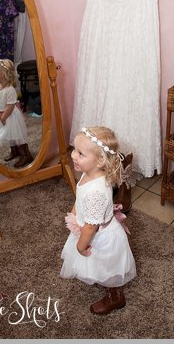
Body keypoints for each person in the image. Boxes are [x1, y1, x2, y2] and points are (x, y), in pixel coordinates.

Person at [61, 125, 136, 315]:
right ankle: (109, 287)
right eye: (74, 150)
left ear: (100, 160)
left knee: (107, 267)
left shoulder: (96, 192)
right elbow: (80, 197)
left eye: (80, 153)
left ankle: (115, 296)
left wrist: (80, 246)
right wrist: (74, 214)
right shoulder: (89, 173)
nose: (73, 155)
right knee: (98, 264)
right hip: (91, 228)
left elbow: (91, 227)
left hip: (102, 237)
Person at [0, 58, 33, 167]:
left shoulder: (10, 90)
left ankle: (26, 155)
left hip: (10, 116)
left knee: (17, 135)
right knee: (9, 135)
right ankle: (14, 151)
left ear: (3, 74)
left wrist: (3, 118)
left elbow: (11, 106)